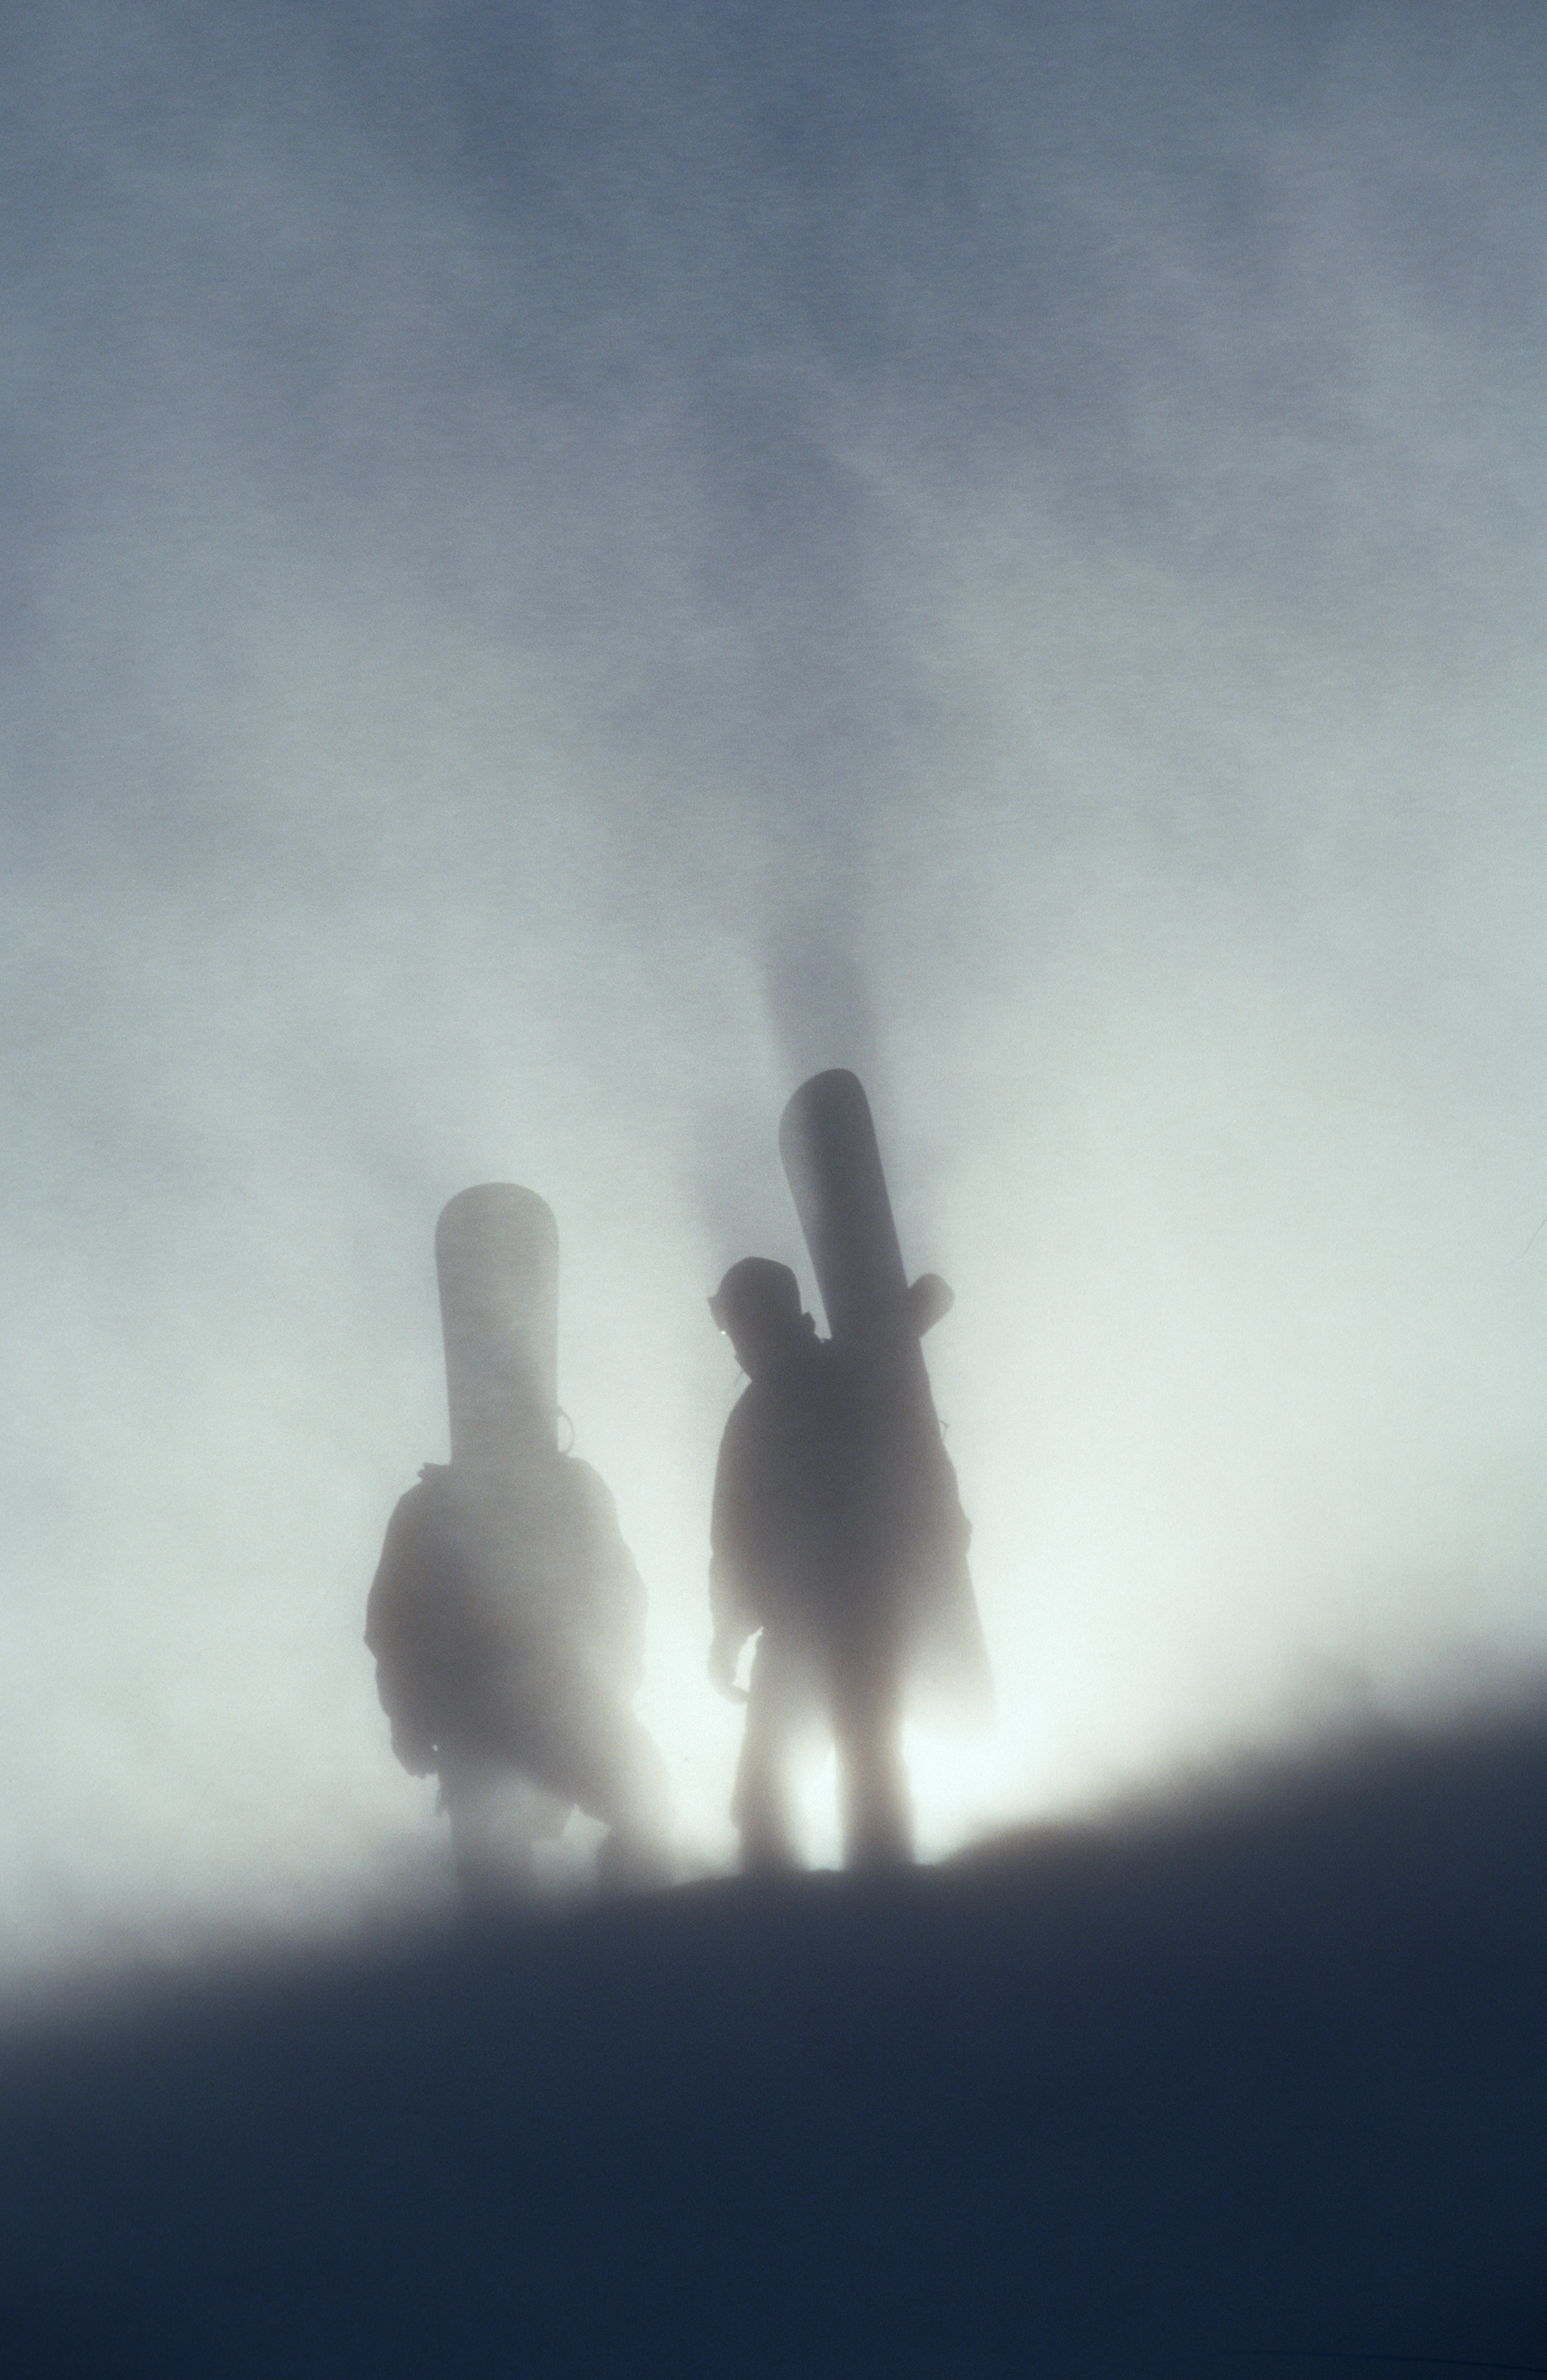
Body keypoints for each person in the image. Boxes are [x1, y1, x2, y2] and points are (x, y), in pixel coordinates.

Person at [707, 1256, 970, 1871]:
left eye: (735, 1325)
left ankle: (837, 1916)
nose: (734, 1343)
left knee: (826, 1793)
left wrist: (728, 1634)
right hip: (850, 1626)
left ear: (759, 1320)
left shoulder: (785, 1403)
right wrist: (728, 1633)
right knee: (834, 1789)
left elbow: (736, 1544)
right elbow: (737, 1544)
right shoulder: (846, 1376)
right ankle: (862, 1910)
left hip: (841, 1627)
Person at [366, 1420, 673, 1895]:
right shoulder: (430, 1507)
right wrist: (407, 1720)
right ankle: (627, 1924)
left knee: (638, 1811)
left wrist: (408, 1722)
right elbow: (395, 1627)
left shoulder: (431, 1505)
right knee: (500, 1860)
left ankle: (629, 1926)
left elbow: (620, 1589)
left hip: (549, 1702)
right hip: (504, 1710)